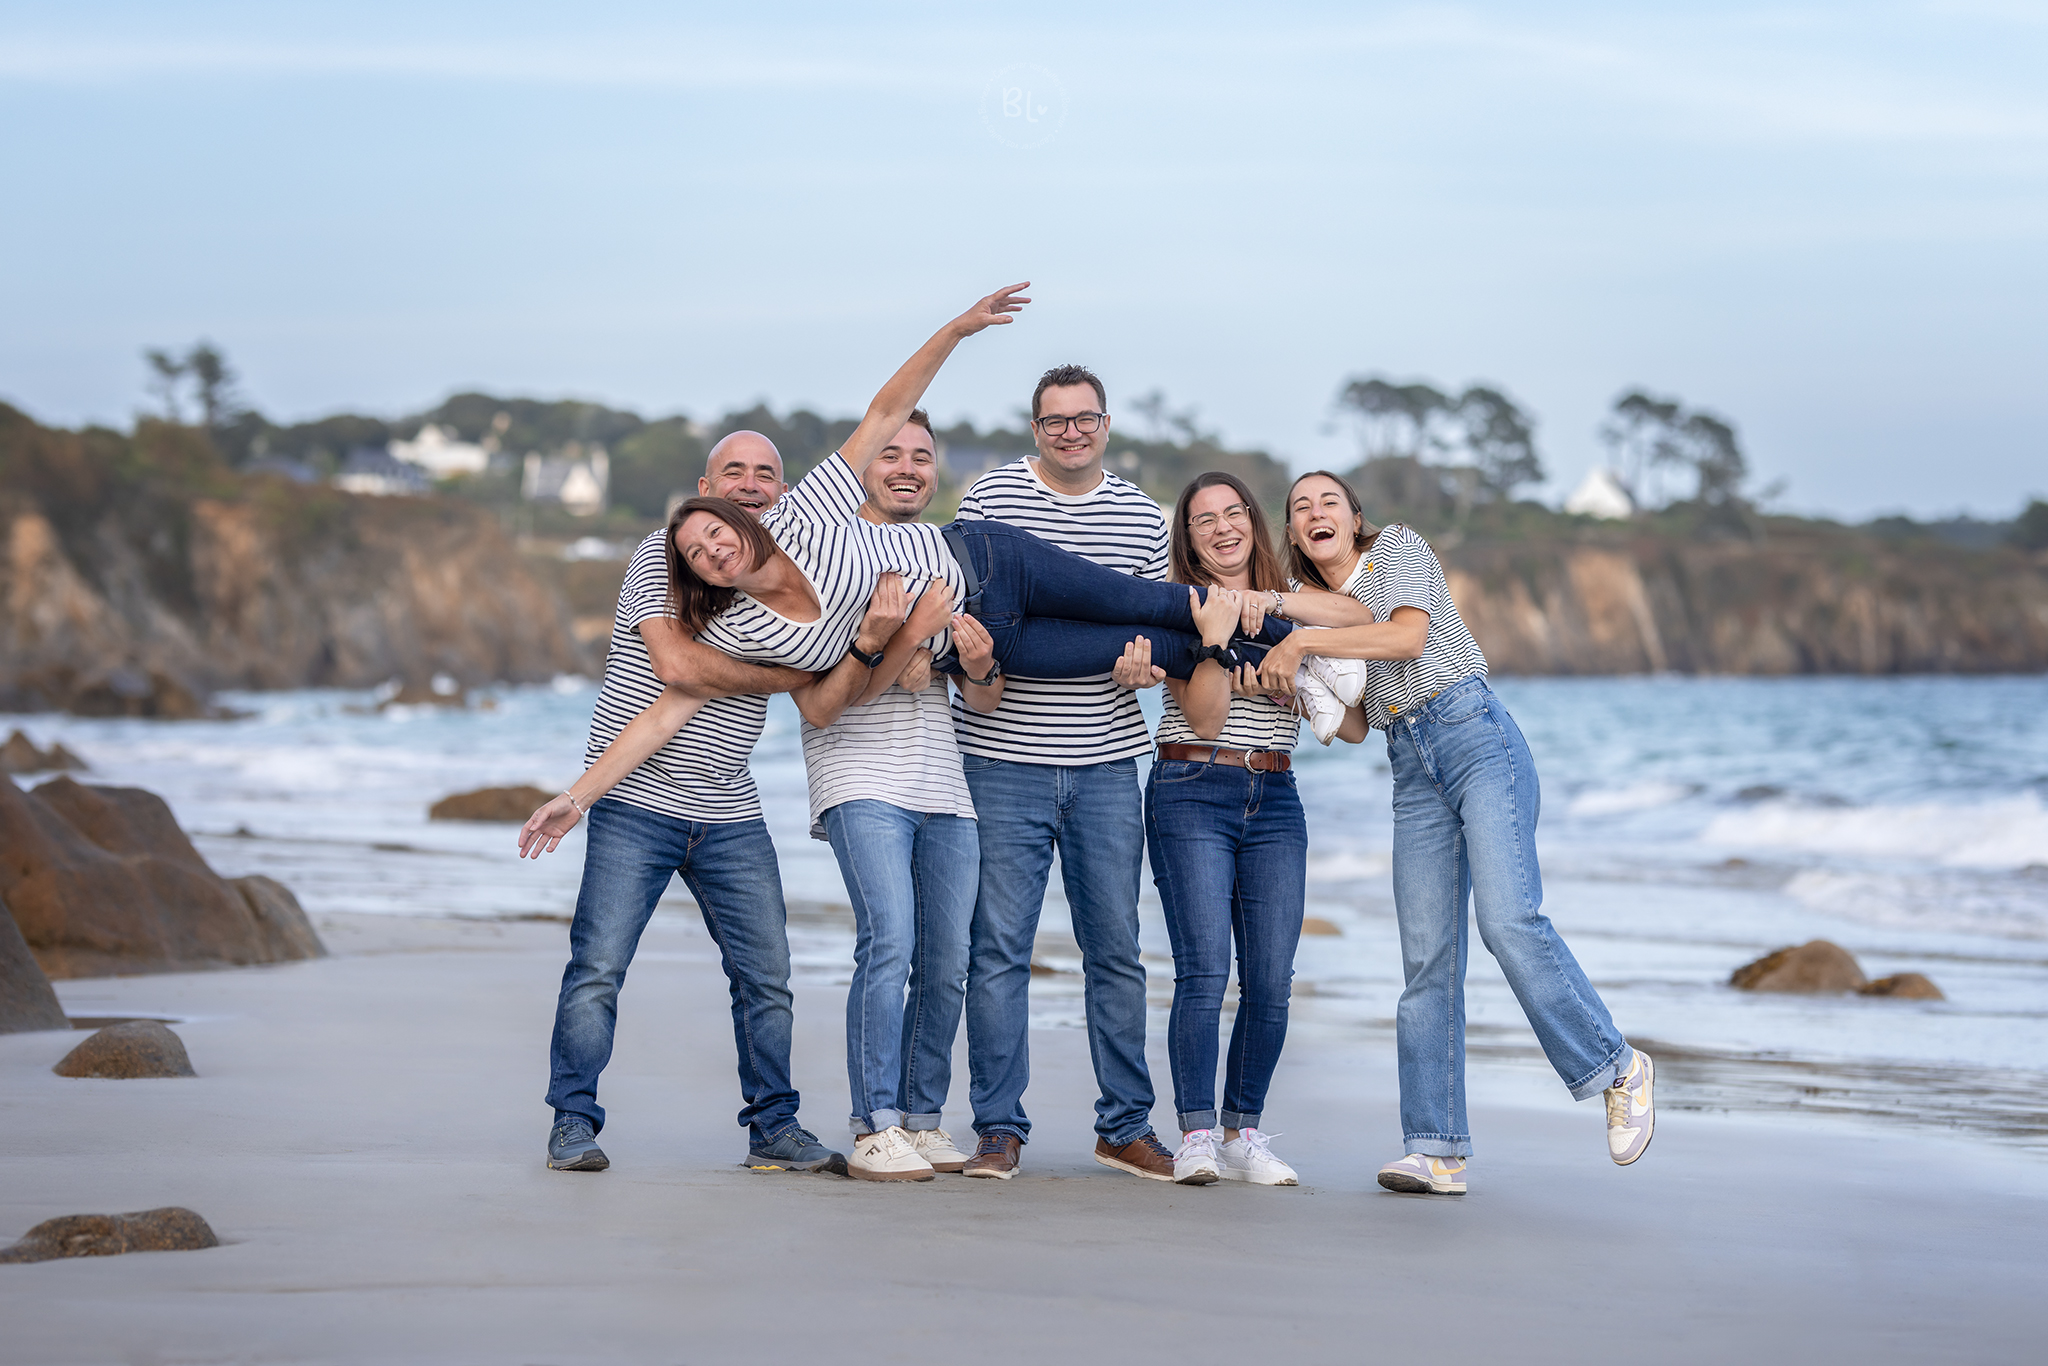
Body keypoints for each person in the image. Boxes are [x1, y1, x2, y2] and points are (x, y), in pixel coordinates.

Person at [1253, 470, 1657, 1195]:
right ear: (1293, 534)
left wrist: (1303, 637)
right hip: (1410, 765)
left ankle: (1617, 1066)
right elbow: (1354, 727)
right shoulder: (1321, 615)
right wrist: (1301, 681)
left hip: (1474, 736)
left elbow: (1409, 638)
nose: (1316, 512)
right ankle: (1436, 1149)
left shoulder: (1397, 550)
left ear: (1354, 517)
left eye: (1329, 501)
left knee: (1508, 921)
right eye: (1301, 507)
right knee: (1427, 960)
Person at [530, 428, 849, 1180]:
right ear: (705, 487)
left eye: (765, 473)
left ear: (781, 493)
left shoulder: (777, 585)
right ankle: (572, 1121)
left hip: (731, 811)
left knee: (766, 978)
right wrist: (579, 798)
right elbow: (676, 670)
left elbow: (822, 701)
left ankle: (774, 1128)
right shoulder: (668, 556)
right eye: (733, 471)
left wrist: (869, 645)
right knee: (598, 969)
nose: (750, 483)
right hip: (635, 804)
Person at [1144, 473, 1371, 1188]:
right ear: (1188, 538)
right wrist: (1218, 649)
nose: (1222, 528)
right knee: (1205, 971)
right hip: (1192, 788)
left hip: (1275, 795)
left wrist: (1292, 652)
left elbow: (1354, 720)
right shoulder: (1179, 608)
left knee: (1271, 981)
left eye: (1233, 513)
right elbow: (1206, 716)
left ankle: (1243, 1132)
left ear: (1253, 521)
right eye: (1203, 519)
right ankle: (1196, 1135)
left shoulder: (1290, 602)